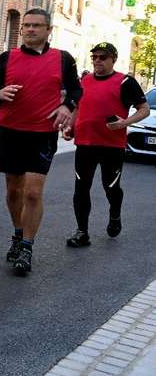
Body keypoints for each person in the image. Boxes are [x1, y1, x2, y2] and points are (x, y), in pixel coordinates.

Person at [0, 8, 82, 274]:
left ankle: (27, 246)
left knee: (32, 192)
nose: (29, 30)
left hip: (42, 133)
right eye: (26, 25)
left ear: (48, 30)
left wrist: (67, 107)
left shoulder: (63, 59)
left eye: (36, 26)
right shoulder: (5, 58)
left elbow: (76, 89)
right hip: (11, 131)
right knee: (14, 191)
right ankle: (17, 233)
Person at [64, 42, 149, 247]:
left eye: (102, 57)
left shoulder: (125, 82)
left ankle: (115, 214)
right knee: (81, 188)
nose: (97, 61)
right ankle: (82, 232)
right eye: (94, 57)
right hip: (85, 144)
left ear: (113, 59)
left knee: (110, 187)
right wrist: (71, 126)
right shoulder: (84, 80)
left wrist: (124, 123)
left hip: (112, 146)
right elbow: (78, 107)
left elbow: (143, 109)